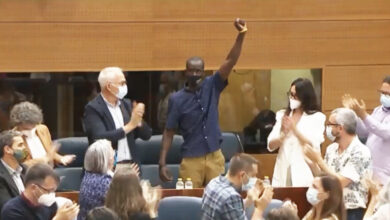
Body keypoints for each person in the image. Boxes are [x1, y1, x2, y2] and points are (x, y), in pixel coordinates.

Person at [159, 18, 248, 188]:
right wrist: (162, 163)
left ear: (203, 71)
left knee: (218, 197)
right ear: (186, 72)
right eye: (191, 70)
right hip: (192, 159)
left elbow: (230, 61)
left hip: (215, 155)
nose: (195, 74)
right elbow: (169, 132)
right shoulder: (176, 99)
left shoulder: (212, 85)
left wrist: (241, 35)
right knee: (190, 201)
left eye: (199, 70)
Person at [304, 108, 372, 220]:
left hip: (351, 211)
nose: (327, 128)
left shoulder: (360, 151)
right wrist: (313, 164)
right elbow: (325, 180)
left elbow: (339, 183)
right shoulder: (331, 149)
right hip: (330, 208)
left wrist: (319, 160)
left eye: (330, 124)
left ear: (340, 128)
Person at [83, 67, 152, 172]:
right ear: (109, 86)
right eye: (122, 83)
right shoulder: (93, 108)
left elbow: (147, 135)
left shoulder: (127, 105)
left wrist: (139, 120)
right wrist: (130, 126)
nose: (125, 87)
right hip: (106, 169)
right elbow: (99, 137)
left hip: (132, 168)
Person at [267, 78, 325, 187]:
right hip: (283, 170)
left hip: (303, 171)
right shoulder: (282, 115)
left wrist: (294, 129)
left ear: (305, 97)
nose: (292, 98)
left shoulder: (317, 117)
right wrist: (282, 136)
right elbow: (270, 145)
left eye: (295, 96)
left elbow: (313, 144)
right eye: (291, 94)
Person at [342, 75, 390, 185]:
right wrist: (354, 114)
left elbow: (384, 132)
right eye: (382, 92)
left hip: (384, 174)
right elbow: (364, 132)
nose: (384, 96)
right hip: (368, 169)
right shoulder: (378, 110)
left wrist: (363, 114)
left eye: (388, 94)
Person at [201, 153, 274, 220]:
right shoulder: (231, 196)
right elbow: (229, 200)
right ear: (242, 175)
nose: (255, 179)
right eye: (253, 175)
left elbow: (229, 209)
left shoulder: (213, 182)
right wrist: (259, 208)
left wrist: (249, 199)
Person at [1, 163, 79, 220]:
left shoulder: (49, 205)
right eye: (49, 190)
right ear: (34, 188)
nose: (52, 194)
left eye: (54, 191)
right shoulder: (12, 211)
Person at [10, 101, 76, 167]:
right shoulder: (14, 139)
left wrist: (61, 158)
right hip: (30, 174)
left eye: (34, 126)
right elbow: (20, 165)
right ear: (18, 124)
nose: (31, 130)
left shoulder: (43, 129)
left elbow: (49, 152)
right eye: (26, 128)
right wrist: (44, 159)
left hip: (50, 169)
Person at [78, 140, 115, 220]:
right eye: (112, 155)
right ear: (106, 160)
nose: (114, 158)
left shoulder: (87, 175)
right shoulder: (106, 182)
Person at [0, 130, 28, 212]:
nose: (24, 148)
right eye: (20, 145)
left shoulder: (25, 169)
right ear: (7, 149)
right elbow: (7, 207)